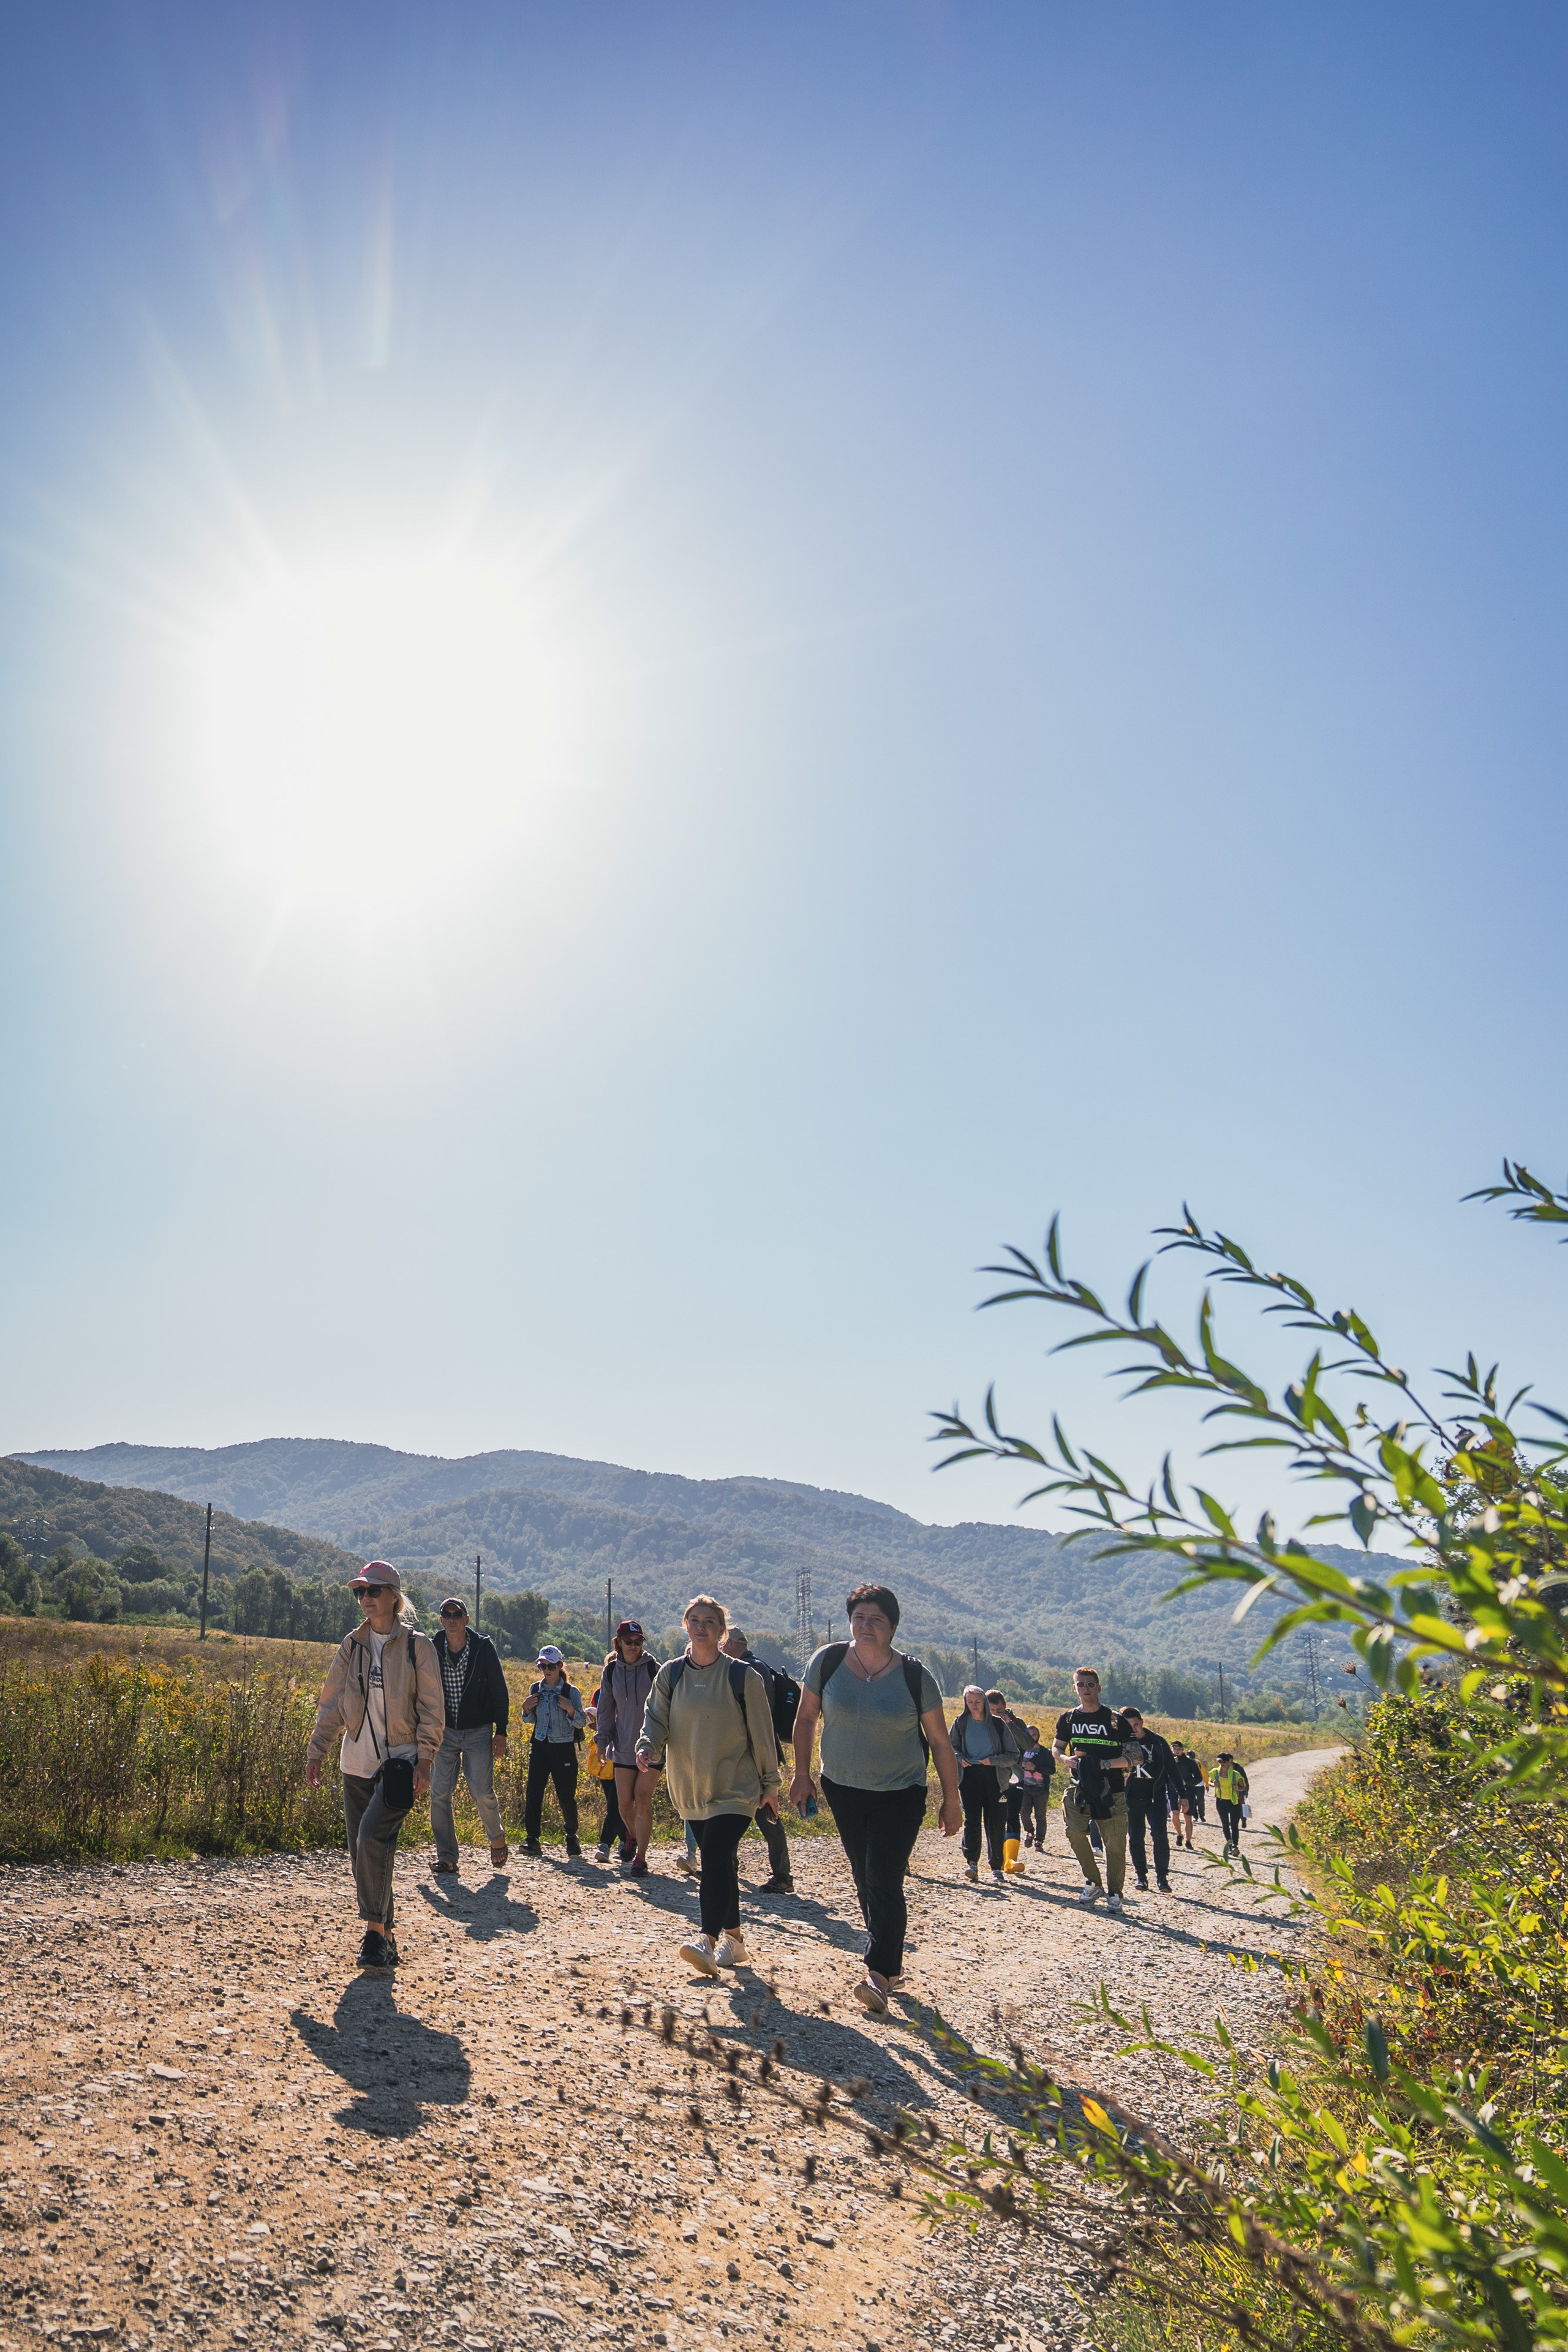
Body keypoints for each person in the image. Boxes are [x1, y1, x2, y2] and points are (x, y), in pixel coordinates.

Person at [791, 1583, 960, 2015]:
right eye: (859, 1618)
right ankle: (890, 1960)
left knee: (883, 1877)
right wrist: (801, 1776)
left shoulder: (915, 1676)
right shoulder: (827, 1661)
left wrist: (952, 1799)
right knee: (865, 1877)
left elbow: (940, 1743)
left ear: (893, 1627)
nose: (866, 1626)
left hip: (900, 1792)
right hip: (843, 1787)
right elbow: (806, 1718)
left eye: (876, 1620)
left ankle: (879, 1974)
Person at [305, 1561, 443, 1974]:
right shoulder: (353, 1645)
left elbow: (432, 1708)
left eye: (375, 1591)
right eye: (360, 1592)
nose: (366, 1598)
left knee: (372, 1837)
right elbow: (332, 1701)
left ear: (394, 1598)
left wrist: (426, 1758)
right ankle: (387, 1936)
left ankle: (373, 1934)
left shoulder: (419, 1647)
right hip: (356, 1761)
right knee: (364, 1851)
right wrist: (318, 1750)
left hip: (400, 1763)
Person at [636, 1595, 780, 1976]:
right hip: (689, 1786)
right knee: (720, 1863)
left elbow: (763, 1735)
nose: (702, 1627)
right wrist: (647, 1745)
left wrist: (771, 1784)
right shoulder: (671, 1673)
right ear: (687, 1625)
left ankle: (708, 1938)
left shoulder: (742, 1677)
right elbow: (655, 1718)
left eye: (709, 1621)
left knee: (715, 1854)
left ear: (721, 1630)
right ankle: (735, 1941)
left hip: (737, 1787)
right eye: (695, 1620)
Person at [428, 1597, 512, 1875]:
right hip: (445, 1731)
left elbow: (499, 1690)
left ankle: (496, 1837)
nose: (452, 1618)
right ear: (441, 1620)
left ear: (466, 1619)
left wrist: (501, 1732)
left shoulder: (482, 1647)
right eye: (446, 1614)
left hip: (478, 1731)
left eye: (457, 1614)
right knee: (439, 1793)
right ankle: (447, 1856)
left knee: (480, 1790)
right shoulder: (433, 1647)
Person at [1053, 1667, 1133, 1911]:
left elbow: (1135, 1756)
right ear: (1074, 1688)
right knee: (1075, 1833)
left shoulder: (1115, 1720)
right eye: (1081, 1685)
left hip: (1112, 1790)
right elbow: (1056, 1748)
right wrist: (1065, 1759)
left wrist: (1105, 1764)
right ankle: (1093, 1882)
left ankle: (1115, 1894)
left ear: (1099, 1688)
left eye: (1090, 1685)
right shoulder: (1068, 1718)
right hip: (1079, 1789)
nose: (1085, 1689)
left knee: (1115, 1843)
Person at [722, 1626, 795, 1893]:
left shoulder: (746, 1669)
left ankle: (781, 1875)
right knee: (752, 1809)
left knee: (760, 1810)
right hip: (758, 1748)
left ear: (730, 1643)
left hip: (752, 1750)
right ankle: (777, 1873)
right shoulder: (758, 1667)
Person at [593, 1620, 660, 1878]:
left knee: (642, 1797)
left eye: (638, 1642)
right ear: (618, 1643)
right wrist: (602, 1740)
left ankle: (640, 1858)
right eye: (628, 1642)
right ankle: (632, 1836)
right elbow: (606, 1709)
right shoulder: (610, 1672)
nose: (634, 1647)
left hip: (652, 1745)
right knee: (623, 1805)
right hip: (622, 1746)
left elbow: (666, 1707)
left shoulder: (655, 1669)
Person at [949, 1685, 1023, 1882]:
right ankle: (972, 1863)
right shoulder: (960, 1723)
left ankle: (996, 1867)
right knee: (972, 1819)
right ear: (965, 1702)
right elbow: (950, 1748)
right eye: (970, 1702)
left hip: (996, 1778)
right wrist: (959, 1757)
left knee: (997, 1821)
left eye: (978, 1702)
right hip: (969, 1777)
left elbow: (1013, 1755)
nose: (974, 1706)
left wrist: (994, 1760)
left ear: (984, 1701)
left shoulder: (999, 1725)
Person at [521, 1646, 587, 1859]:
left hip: (564, 1748)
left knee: (566, 1796)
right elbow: (530, 1720)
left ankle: (571, 1836)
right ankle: (532, 1839)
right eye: (542, 1665)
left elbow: (582, 1721)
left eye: (550, 1666)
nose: (546, 1669)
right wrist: (525, 1709)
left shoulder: (571, 1692)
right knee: (533, 1794)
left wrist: (570, 1709)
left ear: (560, 1666)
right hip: (540, 1745)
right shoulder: (535, 1689)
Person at [1118, 1706, 1175, 1894]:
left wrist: (1182, 1796)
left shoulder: (1157, 1741)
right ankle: (1141, 1877)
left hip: (1155, 1797)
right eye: (1129, 1726)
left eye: (1136, 1724)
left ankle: (1162, 1878)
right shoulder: (1121, 1742)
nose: (1133, 1729)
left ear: (1142, 1722)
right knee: (1135, 1837)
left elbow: (1171, 1769)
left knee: (1160, 1836)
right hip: (1133, 1797)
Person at [585, 1684, 627, 1862]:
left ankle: (605, 1844)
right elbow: (594, 1723)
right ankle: (626, 1840)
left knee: (616, 1802)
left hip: (625, 1752)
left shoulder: (630, 1689)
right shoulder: (599, 1692)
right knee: (615, 1801)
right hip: (605, 1753)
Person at [1011, 1726, 1054, 1847]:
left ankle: (1039, 1840)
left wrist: (1036, 1768)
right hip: (1025, 1788)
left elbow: (1052, 1770)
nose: (1032, 1737)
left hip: (1041, 1789)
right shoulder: (1021, 1751)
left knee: (1040, 1815)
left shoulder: (1045, 1752)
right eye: (1029, 1735)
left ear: (1038, 1735)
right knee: (1024, 1813)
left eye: (1034, 1735)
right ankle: (1030, 1831)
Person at [1213, 1751, 1250, 1852]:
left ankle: (1235, 1845)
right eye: (1220, 1763)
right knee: (1225, 1824)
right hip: (1221, 1801)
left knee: (1234, 1825)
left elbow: (1243, 1786)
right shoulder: (1215, 1772)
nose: (1222, 1765)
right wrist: (1213, 1784)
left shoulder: (1236, 1774)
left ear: (1228, 1762)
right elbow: (1209, 1781)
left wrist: (1238, 1789)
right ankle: (1229, 1844)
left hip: (1234, 1802)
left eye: (1224, 1763)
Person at [1169, 1740, 1202, 1849]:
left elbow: (1199, 1778)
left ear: (1183, 1750)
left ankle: (1188, 1841)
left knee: (1188, 1818)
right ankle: (1179, 1834)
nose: (1177, 1751)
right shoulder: (1169, 1761)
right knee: (1175, 1814)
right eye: (1175, 1749)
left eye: (1179, 1749)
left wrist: (1186, 1782)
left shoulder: (1190, 1762)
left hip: (1188, 1792)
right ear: (1172, 1749)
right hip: (1173, 1791)